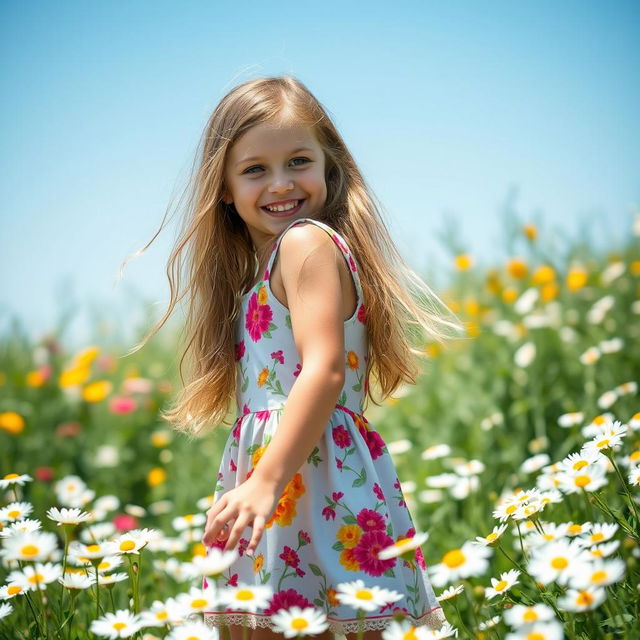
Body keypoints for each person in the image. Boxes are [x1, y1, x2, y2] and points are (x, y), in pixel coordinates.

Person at [133, 75, 464, 639]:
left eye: (299, 161)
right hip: (287, 477)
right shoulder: (261, 273)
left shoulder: (305, 243)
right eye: (255, 169)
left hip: (310, 478)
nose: (281, 183)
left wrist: (264, 481)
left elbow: (324, 371)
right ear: (224, 187)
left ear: (328, 167)